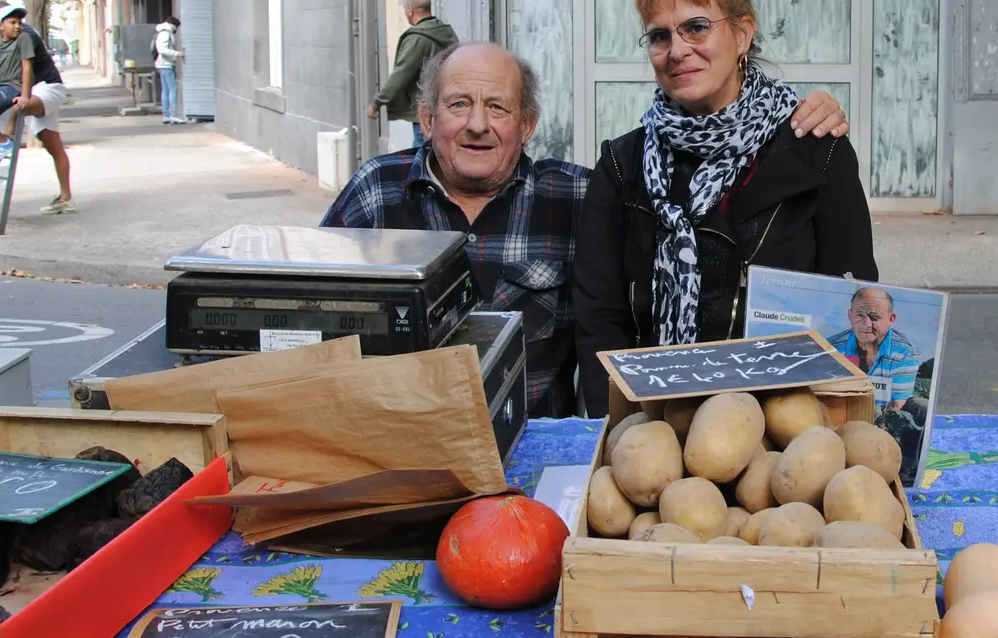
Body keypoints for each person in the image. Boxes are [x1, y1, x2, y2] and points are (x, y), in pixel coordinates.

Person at [321, 41, 850, 417]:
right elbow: (309, 315)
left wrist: (797, 113)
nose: (478, 124)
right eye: (459, 105)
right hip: (398, 442)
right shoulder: (375, 192)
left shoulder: (578, 196)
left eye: (498, 108)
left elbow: (691, 208)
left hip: (530, 452)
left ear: (527, 125)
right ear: (427, 118)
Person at [572, 0, 878, 415]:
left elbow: (849, 300)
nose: (677, 51)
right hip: (652, 425)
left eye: (696, 27)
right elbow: (599, 321)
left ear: (742, 33)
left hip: (783, 425)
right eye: (659, 36)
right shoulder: (623, 165)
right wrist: (610, 431)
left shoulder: (816, 150)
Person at [0, 5, 76, 215]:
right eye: (8, 20)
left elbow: (26, 68)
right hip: (32, 89)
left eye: (17, 21)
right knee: (53, 147)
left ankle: (1, 145)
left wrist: (24, 96)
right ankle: (66, 199)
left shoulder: (25, 35)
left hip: (48, 87)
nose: (16, 25)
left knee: (17, 107)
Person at [370, 0, 457, 152]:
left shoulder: (418, 38)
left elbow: (401, 74)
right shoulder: (446, 33)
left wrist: (377, 102)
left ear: (410, 10)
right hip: (446, 105)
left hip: (425, 108)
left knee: (421, 154)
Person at [826, 285, 922, 406]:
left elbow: (898, 405)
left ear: (891, 319)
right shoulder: (830, 348)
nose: (866, 324)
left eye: (874, 317)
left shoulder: (905, 351)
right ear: (850, 316)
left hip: (884, 419)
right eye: (860, 315)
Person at [154, 14, 185, 124]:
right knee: (173, 89)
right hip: (166, 64)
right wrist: (177, 53)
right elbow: (162, 49)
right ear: (173, 25)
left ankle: (166, 115)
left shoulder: (161, 32)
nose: (177, 29)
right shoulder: (165, 34)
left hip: (161, 65)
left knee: (166, 90)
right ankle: (173, 114)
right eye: (177, 27)